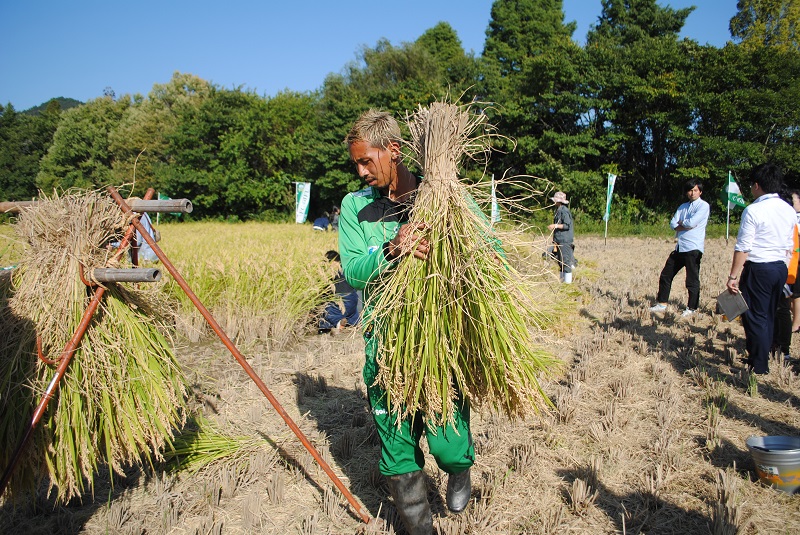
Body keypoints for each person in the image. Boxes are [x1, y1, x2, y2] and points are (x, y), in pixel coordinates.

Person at [338, 109, 473, 534]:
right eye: (356, 163)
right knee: (397, 448)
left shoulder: (445, 195)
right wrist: (390, 251)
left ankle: (459, 468)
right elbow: (354, 271)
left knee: (449, 445)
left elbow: (490, 253)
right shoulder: (354, 207)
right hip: (385, 343)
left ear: (394, 151)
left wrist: (456, 256)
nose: (361, 171)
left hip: (439, 339)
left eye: (366, 160)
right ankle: (419, 528)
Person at [726, 163, 797, 375]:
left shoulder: (753, 209)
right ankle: (761, 354)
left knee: (754, 316)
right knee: (768, 314)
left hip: (759, 268)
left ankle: (759, 365)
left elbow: (744, 247)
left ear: (757, 185)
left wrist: (733, 276)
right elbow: (789, 244)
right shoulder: (788, 209)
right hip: (779, 268)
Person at [649, 179, 710, 317]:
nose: (692, 193)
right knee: (666, 274)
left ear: (700, 191)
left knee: (691, 279)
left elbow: (692, 222)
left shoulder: (703, 206)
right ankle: (662, 303)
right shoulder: (682, 206)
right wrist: (684, 224)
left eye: (695, 190)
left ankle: (692, 308)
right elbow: (673, 223)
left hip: (693, 247)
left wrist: (683, 223)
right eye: (690, 190)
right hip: (680, 246)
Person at [772, 188, 800, 360]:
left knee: (782, 308)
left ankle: (783, 348)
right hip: (778, 269)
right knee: (774, 308)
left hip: (787, 270)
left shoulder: (791, 222)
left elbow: (793, 250)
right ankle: (773, 344)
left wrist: (788, 275)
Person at [318, 250, 360, 334]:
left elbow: (324, 293)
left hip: (340, 299)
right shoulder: (346, 269)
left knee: (327, 317)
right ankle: (355, 323)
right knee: (352, 315)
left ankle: (337, 323)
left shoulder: (328, 273)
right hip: (353, 297)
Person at [547, 191, 575, 284]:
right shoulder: (558, 210)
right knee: (560, 262)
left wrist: (555, 226)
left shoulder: (564, 211)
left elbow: (567, 225)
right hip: (559, 240)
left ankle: (567, 285)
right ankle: (562, 283)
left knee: (565, 262)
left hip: (565, 241)